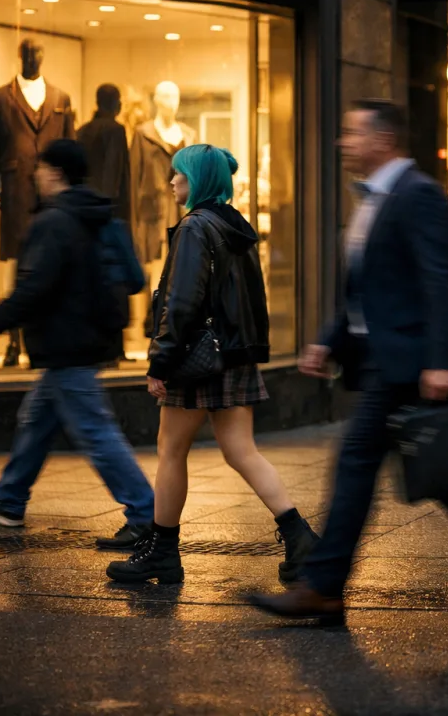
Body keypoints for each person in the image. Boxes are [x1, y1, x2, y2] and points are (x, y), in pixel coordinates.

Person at [248, 101, 448, 625]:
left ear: (384, 139)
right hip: (385, 360)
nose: (343, 143)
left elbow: (441, 279)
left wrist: (443, 360)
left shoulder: (418, 193)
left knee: (357, 466)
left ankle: (323, 587)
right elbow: (367, 289)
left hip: (411, 363)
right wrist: (329, 341)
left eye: (352, 133)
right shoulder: (374, 198)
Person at [105, 144, 319, 585]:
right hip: (232, 357)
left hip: (196, 358)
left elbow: (182, 301)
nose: (172, 181)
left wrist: (160, 361)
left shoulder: (195, 227)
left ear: (197, 179)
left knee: (171, 449)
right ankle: (301, 539)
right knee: (242, 451)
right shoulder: (234, 225)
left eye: (179, 174)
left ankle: (163, 552)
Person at [0, 139, 154, 546]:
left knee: (96, 430)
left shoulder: (53, 222)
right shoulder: (97, 214)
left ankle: (145, 514)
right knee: (37, 419)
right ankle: (10, 498)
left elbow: (33, 289)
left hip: (65, 342)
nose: (36, 175)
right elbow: (133, 278)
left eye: (41, 168)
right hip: (89, 337)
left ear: (55, 173)